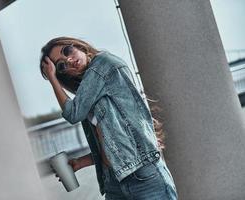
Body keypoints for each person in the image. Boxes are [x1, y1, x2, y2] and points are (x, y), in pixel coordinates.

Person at [40, 36, 178, 199]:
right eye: (61, 65)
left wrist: (52, 78)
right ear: (66, 74)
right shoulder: (90, 90)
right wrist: (81, 162)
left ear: (78, 46)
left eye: (67, 50)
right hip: (114, 182)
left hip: (142, 177)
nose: (69, 60)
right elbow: (111, 141)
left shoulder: (102, 65)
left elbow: (73, 114)